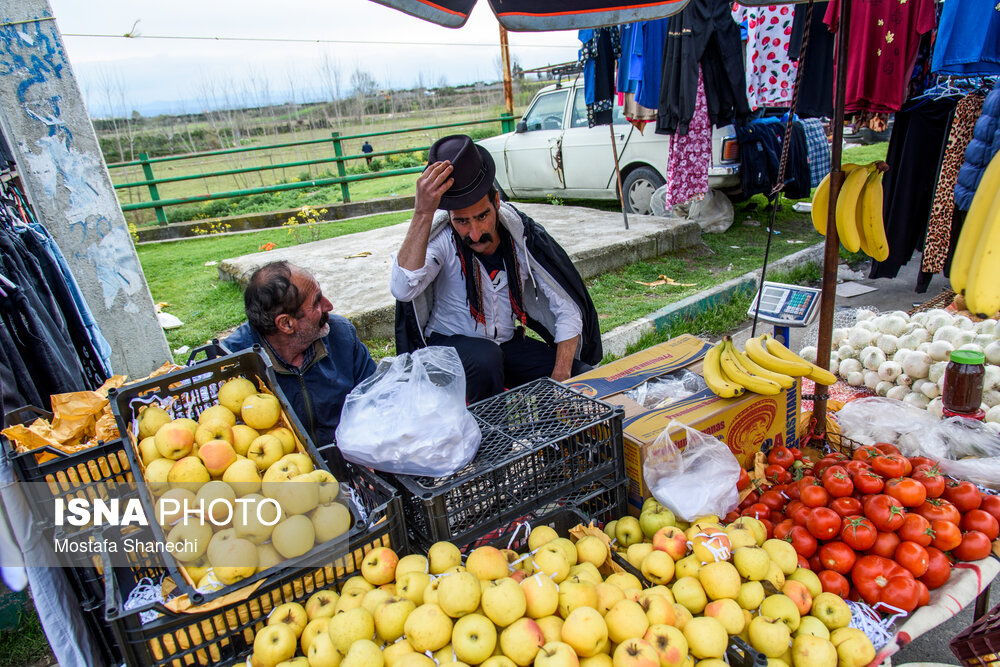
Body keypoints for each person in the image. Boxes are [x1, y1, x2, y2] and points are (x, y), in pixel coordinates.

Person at [391, 134, 602, 403]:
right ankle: (489, 430)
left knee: (580, 377)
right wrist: (422, 213)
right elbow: (403, 288)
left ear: (497, 202)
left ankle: (551, 431)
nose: (475, 233)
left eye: (482, 216)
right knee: (485, 358)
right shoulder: (443, 240)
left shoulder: (521, 238)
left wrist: (561, 376)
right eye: (462, 221)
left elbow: (567, 308)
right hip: (449, 347)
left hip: (504, 344)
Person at [223, 261, 376, 468]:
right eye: (317, 302)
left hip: (351, 463)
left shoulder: (341, 335)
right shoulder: (232, 363)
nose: (329, 306)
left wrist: (367, 455)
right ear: (286, 323)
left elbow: (374, 397)